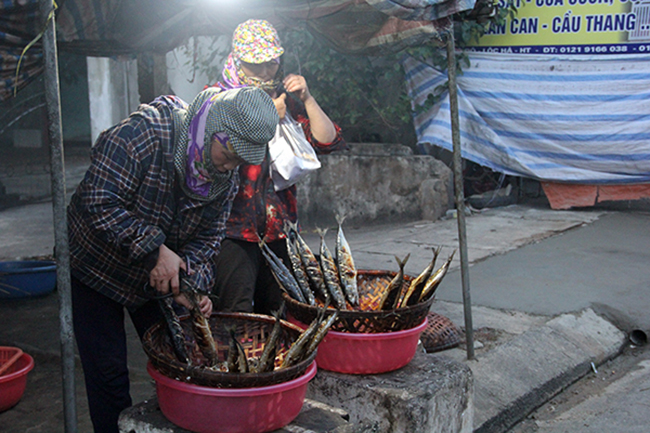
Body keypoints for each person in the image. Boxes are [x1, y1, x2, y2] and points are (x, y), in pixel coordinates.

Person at [67, 86, 278, 433]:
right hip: (97, 267)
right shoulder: (144, 134)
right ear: (212, 128)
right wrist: (153, 249)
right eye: (228, 152)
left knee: (182, 358)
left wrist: (191, 282)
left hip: (155, 277)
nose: (229, 165)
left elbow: (208, 239)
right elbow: (96, 201)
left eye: (240, 159)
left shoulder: (222, 177)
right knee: (109, 373)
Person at [211, 19, 347, 315]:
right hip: (232, 230)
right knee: (236, 312)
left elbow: (328, 141)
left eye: (271, 64)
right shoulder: (217, 98)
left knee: (279, 310)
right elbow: (211, 156)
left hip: (281, 230)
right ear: (237, 60)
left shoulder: (286, 100)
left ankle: (275, 362)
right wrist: (266, 117)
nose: (264, 72)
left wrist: (307, 98)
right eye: (254, 64)